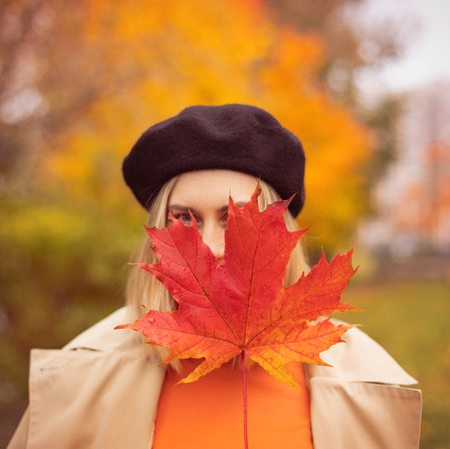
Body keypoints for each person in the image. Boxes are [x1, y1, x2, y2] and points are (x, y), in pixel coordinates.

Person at [8, 104, 422, 449]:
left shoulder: (363, 383)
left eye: (235, 218)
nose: (212, 244)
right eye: (185, 218)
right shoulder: (81, 377)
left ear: (281, 234)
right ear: (158, 235)